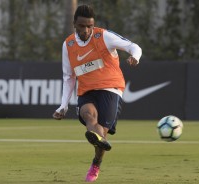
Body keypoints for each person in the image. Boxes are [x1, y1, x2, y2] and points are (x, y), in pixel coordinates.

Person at [53, 4, 142, 182]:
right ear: (74, 24)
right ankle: (99, 138)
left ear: (93, 25)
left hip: (111, 88)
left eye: (89, 26)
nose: (86, 30)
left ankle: (96, 162)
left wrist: (135, 57)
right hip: (86, 90)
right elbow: (68, 76)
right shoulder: (68, 44)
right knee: (88, 114)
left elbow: (134, 47)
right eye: (82, 26)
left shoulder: (104, 36)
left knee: (101, 132)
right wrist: (63, 105)